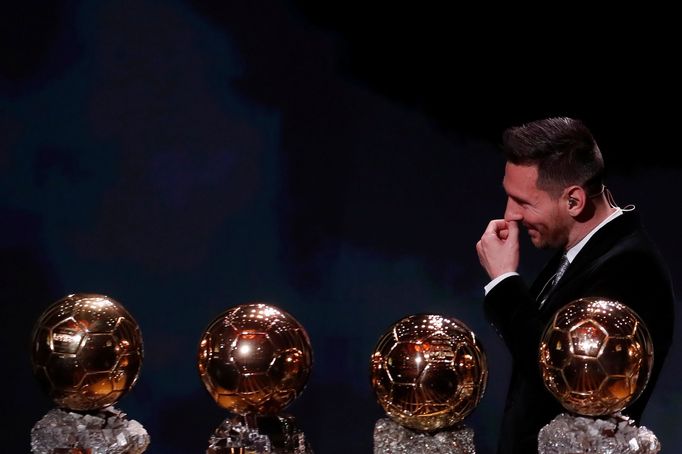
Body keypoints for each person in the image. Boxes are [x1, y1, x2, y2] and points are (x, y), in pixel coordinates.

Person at [475, 117, 675, 453]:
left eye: (524, 202)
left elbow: (568, 377)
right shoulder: (583, 252)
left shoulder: (632, 269)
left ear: (574, 202)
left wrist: (503, 284)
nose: (511, 215)